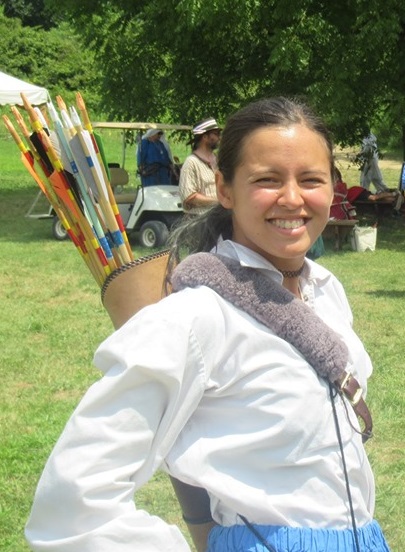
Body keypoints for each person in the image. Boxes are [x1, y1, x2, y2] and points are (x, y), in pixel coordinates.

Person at [25, 98, 390, 552]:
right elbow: (73, 503)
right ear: (225, 189)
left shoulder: (326, 292)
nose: (293, 198)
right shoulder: (195, 318)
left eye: (311, 179)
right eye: (267, 180)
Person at [179, 117, 221, 215]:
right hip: (200, 219)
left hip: (218, 217)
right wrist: (218, 202)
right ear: (205, 137)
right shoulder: (191, 162)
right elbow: (189, 198)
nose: (219, 137)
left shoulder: (217, 160)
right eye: (216, 134)